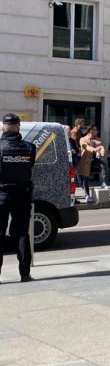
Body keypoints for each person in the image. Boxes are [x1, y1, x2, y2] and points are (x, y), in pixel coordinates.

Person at [0, 113, 37, 283]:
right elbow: (30, 166)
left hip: (1, 195)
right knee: (22, 234)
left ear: (3, 128)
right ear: (18, 127)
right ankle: (24, 274)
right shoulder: (29, 148)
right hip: (22, 195)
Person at [78, 125, 105, 203]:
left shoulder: (97, 139)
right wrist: (94, 149)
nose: (96, 131)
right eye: (95, 129)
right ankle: (87, 195)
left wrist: (102, 151)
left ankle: (103, 182)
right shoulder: (83, 139)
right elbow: (86, 147)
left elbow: (101, 146)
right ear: (90, 131)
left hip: (94, 162)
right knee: (85, 180)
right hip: (86, 161)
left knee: (103, 165)